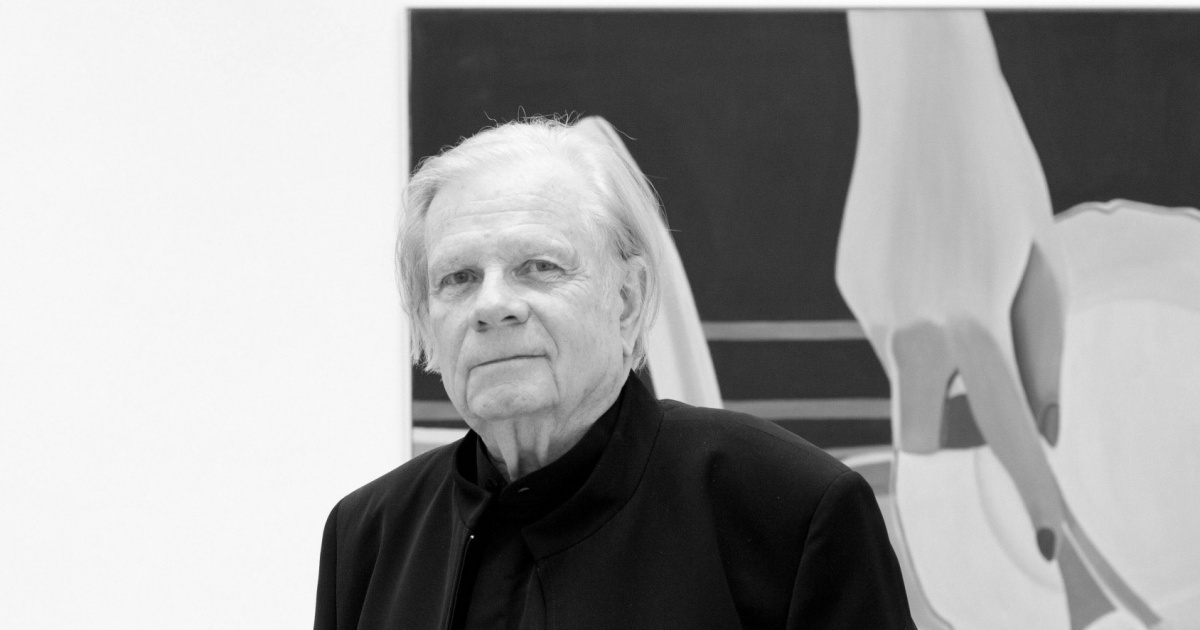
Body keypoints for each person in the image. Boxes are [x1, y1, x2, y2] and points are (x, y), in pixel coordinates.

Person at [313, 116, 914, 629]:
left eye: (539, 266)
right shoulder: (369, 537)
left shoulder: (790, 510)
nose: (492, 305)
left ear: (628, 300)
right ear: (426, 321)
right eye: (459, 278)